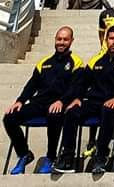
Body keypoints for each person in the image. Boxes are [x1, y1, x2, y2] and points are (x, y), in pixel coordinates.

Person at [52, 25, 114, 175]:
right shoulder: (95, 60)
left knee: (107, 109)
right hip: (94, 101)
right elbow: (82, 83)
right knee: (71, 111)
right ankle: (67, 157)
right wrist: (77, 98)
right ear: (106, 40)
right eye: (111, 38)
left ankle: (101, 155)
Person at [3, 26, 84, 175]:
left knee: (54, 115)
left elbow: (76, 88)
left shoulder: (76, 62)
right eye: (59, 39)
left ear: (71, 41)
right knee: (9, 117)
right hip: (39, 103)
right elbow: (32, 84)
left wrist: (62, 101)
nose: (62, 42)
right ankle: (24, 154)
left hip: (59, 104)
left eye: (65, 39)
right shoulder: (44, 62)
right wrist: (20, 101)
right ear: (55, 40)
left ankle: (51, 157)